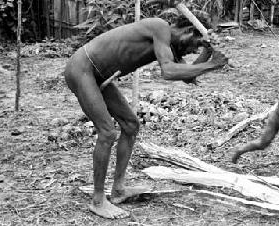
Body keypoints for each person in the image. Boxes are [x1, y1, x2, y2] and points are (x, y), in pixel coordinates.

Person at [64, 15, 228, 219]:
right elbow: (168, 72)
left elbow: (187, 76)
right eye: (195, 45)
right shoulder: (160, 27)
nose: (192, 51)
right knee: (107, 132)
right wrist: (212, 65)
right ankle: (98, 200)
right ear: (188, 31)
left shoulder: (169, 45)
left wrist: (208, 51)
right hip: (82, 68)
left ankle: (119, 190)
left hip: (97, 74)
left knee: (131, 126)